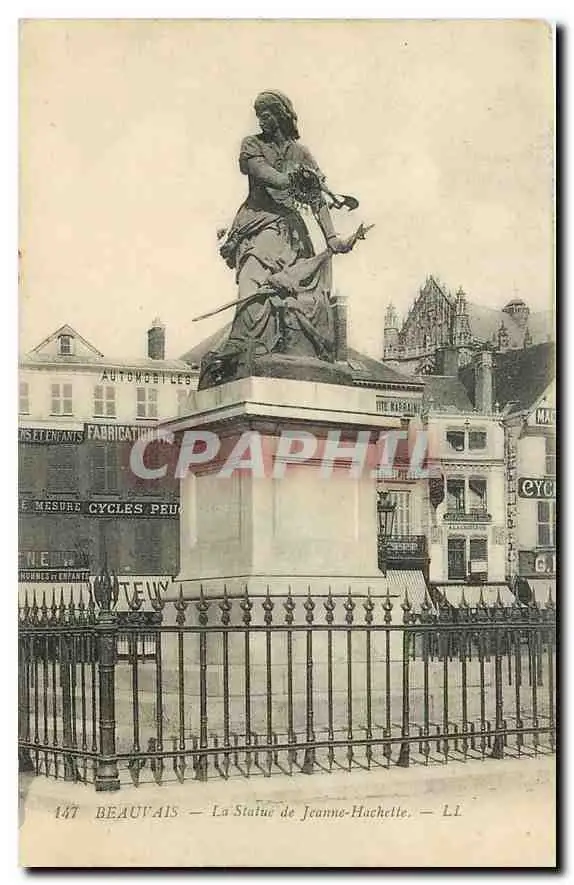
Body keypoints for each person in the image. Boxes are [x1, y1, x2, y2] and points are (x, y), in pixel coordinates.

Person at [215, 90, 351, 363]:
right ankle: (244, 346)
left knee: (302, 294)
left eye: (266, 114)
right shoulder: (252, 145)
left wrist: (332, 238)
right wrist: (299, 178)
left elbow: (316, 200)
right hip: (258, 223)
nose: (261, 120)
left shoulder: (301, 153)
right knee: (251, 281)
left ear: (281, 116)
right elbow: (266, 175)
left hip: (291, 232)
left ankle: (292, 351)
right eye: (258, 115)